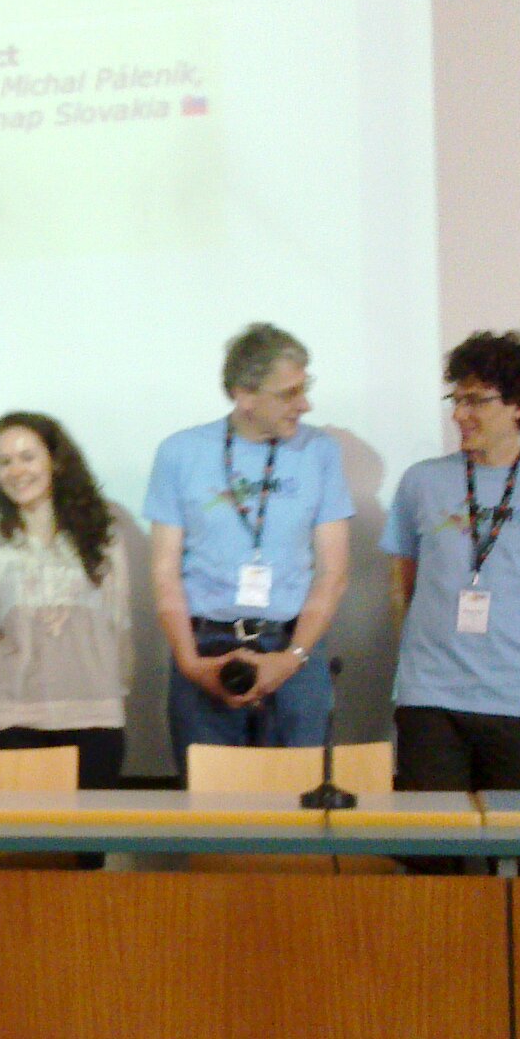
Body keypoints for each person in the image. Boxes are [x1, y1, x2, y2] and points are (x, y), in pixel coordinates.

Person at [385, 332, 520, 793]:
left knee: (513, 834)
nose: (459, 414)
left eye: (475, 401)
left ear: (518, 405)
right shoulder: (421, 481)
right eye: (456, 399)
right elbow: (402, 588)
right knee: (434, 834)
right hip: (431, 698)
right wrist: (420, 661)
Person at [144, 324, 354, 770]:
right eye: (289, 393)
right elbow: (164, 572)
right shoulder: (180, 453)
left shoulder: (320, 452)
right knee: (212, 802)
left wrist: (292, 659)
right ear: (245, 396)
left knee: (298, 797)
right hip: (206, 649)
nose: (305, 404)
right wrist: (190, 664)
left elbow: (333, 572)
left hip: (293, 648)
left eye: (305, 388)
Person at [0, 412, 130, 788]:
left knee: (89, 827)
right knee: (26, 828)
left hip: (95, 718)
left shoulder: (104, 540)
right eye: (5, 461)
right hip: (18, 721)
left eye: (27, 457)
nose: (16, 471)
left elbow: (120, 629)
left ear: (56, 462)